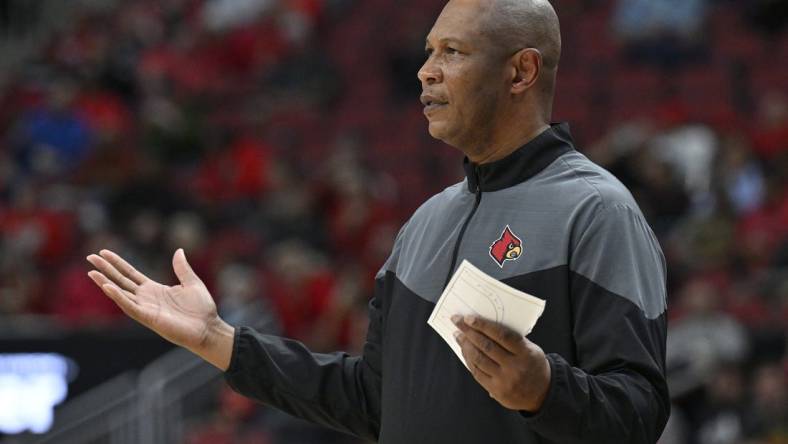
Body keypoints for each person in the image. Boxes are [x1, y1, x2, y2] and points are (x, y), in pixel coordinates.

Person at [86, 0, 670, 442]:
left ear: (521, 72)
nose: (425, 72)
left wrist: (545, 390)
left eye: (452, 53)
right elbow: (372, 399)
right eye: (428, 51)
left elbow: (640, 411)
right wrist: (219, 342)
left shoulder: (598, 213)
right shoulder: (423, 225)